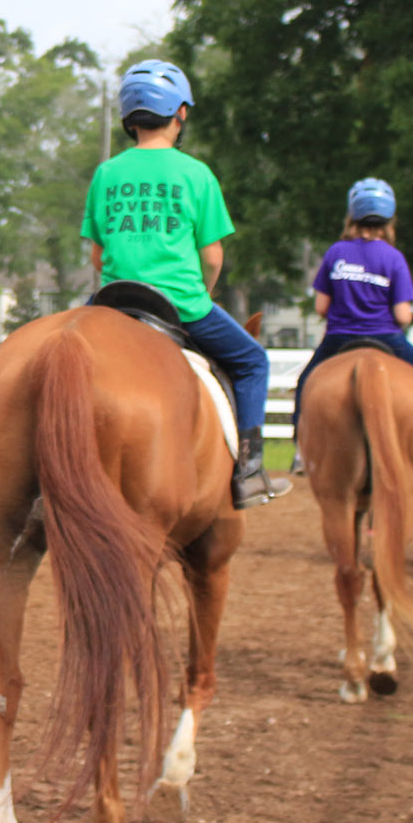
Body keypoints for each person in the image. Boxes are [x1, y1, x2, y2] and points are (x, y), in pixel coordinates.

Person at [81, 59, 289, 508]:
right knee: (253, 361)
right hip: (179, 305)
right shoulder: (197, 174)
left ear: (128, 119)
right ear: (180, 114)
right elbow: (212, 256)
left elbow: (97, 256)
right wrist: (205, 293)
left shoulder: (107, 173)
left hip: (111, 303)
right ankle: (250, 473)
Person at [290, 178, 413, 477]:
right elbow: (404, 315)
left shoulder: (335, 253)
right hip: (386, 337)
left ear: (352, 215)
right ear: (389, 219)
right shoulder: (394, 258)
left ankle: (301, 454)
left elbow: (320, 307)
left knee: (305, 383)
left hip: (339, 338)